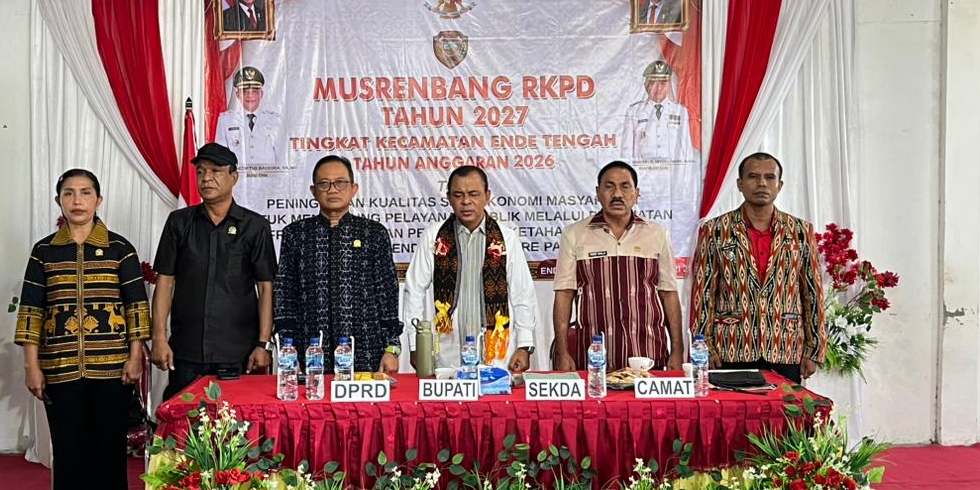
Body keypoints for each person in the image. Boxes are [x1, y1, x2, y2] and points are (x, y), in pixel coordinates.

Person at [14, 169, 151, 490]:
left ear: (98, 200)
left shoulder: (120, 249)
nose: (77, 200)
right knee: (69, 447)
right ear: (59, 200)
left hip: (112, 367)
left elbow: (136, 307)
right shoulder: (44, 251)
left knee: (109, 447)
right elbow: (31, 310)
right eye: (69, 193)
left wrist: (135, 356)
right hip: (59, 367)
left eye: (85, 192)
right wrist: (31, 365)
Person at [150, 142, 277, 399]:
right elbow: (165, 282)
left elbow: (266, 288)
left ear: (234, 177)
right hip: (187, 351)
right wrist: (159, 338)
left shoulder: (255, 226)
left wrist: (263, 344)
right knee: (185, 421)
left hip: (239, 353)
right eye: (201, 171)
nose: (206, 178)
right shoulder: (179, 222)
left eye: (216, 171)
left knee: (238, 423)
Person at [689, 152, 826, 384]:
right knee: (733, 408)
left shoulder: (800, 231)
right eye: (753, 177)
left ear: (779, 185)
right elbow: (703, 293)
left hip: (785, 346)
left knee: (783, 408)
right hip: (730, 348)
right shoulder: (716, 230)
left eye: (769, 177)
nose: (762, 183)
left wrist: (814, 349)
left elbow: (812, 293)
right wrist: (705, 348)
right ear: (740, 184)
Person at [274, 155, 403, 373]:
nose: (332, 189)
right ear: (313, 191)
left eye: (340, 183)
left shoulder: (373, 233)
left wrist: (392, 348)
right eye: (324, 184)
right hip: (310, 353)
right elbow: (285, 294)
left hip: (366, 352)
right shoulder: (296, 234)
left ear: (353, 189)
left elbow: (387, 294)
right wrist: (288, 350)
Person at [552, 161, 684, 372]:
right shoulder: (574, 234)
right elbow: (564, 294)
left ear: (636, 193)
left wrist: (678, 349)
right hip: (595, 360)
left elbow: (668, 294)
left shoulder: (657, 234)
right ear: (598, 193)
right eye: (609, 186)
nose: (617, 194)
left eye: (625, 186)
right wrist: (562, 351)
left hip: (649, 355)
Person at [402, 165, 536, 371]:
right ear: (448, 197)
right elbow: (414, 291)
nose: (466, 202)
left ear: (487, 196)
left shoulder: (506, 238)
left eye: (474, 194)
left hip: (496, 355)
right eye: (458, 195)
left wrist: (525, 346)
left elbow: (523, 294)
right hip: (447, 354)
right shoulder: (433, 237)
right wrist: (415, 344)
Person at [620, 60, 694, 164]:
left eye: (663, 83)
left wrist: (684, 173)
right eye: (653, 83)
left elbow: (686, 150)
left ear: (669, 84)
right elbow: (626, 150)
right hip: (643, 170)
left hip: (671, 170)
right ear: (646, 85)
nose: (658, 88)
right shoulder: (633, 111)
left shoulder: (680, 111)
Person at [214, 66, 285, 168]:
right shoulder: (225, 120)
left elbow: (281, 157)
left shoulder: (274, 120)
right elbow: (220, 157)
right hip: (237, 177)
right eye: (244, 92)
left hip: (267, 177)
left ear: (261, 94)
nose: (249, 96)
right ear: (237, 94)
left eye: (254, 92)